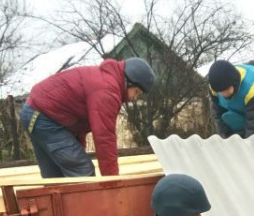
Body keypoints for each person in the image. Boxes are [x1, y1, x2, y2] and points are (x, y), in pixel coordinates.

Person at [20, 57, 155, 178]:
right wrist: (112, 181)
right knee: (83, 170)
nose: (134, 98)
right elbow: (104, 137)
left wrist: (80, 148)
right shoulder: (107, 91)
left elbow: (79, 124)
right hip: (45, 118)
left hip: (38, 114)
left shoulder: (104, 80)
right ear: (127, 81)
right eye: (136, 91)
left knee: (55, 178)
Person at [207, 60, 254, 138]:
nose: (224, 94)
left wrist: (248, 146)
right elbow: (218, 117)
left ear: (234, 82)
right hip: (238, 112)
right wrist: (227, 138)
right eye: (220, 92)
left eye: (226, 89)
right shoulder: (215, 88)